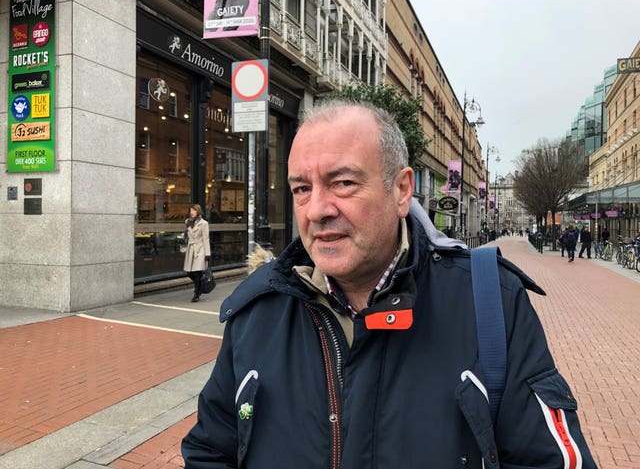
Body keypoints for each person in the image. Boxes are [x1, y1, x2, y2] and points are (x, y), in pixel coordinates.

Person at [182, 101, 596, 468]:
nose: (317, 210)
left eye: (343, 183)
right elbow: (210, 451)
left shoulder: (491, 302)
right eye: (302, 189)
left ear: (401, 191)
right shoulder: (257, 311)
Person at [183, 204, 211, 302]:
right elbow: (186, 235)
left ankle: (196, 293)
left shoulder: (204, 223)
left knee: (197, 273)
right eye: (190, 210)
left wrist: (207, 253)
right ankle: (199, 287)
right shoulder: (187, 222)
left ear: (198, 211)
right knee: (189, 272)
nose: (191, 212)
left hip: (200, 250)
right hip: (190, 249)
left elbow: (205, 239)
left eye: (193, 210)